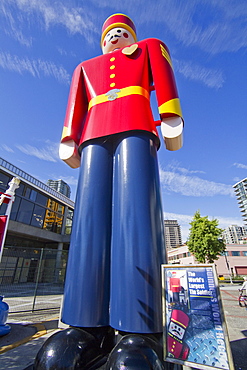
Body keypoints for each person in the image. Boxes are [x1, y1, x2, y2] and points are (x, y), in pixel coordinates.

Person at [34, 13, 184, 369]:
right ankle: (85, 326)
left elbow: (164, 81)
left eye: (122, 31)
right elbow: (77, 104)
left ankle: (140, 329)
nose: (115, 36)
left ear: (132, 33)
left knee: (136, 219)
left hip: (136, 125)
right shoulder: (84, 67)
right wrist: (69, 137)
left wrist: (170, 115)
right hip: (93, 136)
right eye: (110, 33)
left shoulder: (149, 48)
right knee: (89, 221)